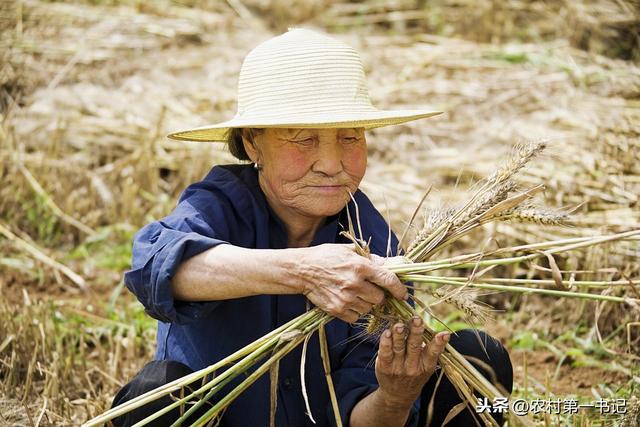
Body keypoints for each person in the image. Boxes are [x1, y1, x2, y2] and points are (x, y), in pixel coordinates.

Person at [112, 29, 513, 426]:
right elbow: (153, 267)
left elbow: (359, 414)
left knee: (478, 359)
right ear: (253, 144)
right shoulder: (221, 204)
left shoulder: (371, 243)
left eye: (349, 137)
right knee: (154, 395)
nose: (331, 163)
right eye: (304, 139)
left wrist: (393, 397)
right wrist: (303, 272)